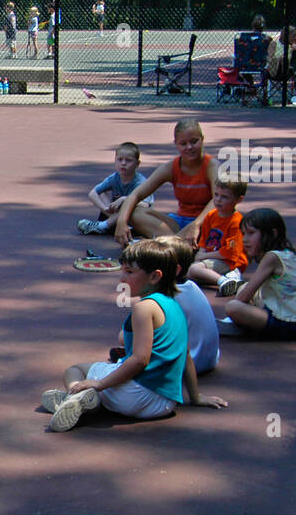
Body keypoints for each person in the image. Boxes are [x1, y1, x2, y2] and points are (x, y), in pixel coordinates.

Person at [40, 240, 227, 432]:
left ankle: (78, 397)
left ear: (155, 276)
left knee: (75, 370)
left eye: (129, 272)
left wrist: (100, 383)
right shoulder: (175, 305)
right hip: (165, 403)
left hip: (134, 397)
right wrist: (195, 397)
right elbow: (186, 355)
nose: (122, 279)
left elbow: (140, 360)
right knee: (111, 368)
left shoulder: (144, 307)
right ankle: (86, 399)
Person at [222, 208, 296, 340]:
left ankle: (237, 324)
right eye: (243, 234)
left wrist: (238, 312)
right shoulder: (287, 254)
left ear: (273, 233)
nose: (245, 240)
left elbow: (242, 298)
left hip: (289, 325)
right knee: (247, 289)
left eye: (251, 233)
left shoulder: (271, 257)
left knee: (233, 307)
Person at [113, 118, 219, 245]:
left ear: (202, 139)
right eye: (183, 143)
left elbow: (218, 199)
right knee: (134, 212)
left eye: (194, 141)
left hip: (206, 222)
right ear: (176, 144)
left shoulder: (212, 166)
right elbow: (135, 195)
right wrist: (121, 222)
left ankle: (172, 246)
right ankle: (178, 245)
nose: (189, 147)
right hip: (179, 222)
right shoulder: (171, 167)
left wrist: (196, 224)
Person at [158, 236, 221, 375]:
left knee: (127, 338)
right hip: (210, 359)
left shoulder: (166, 296)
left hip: (188, 365)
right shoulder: (192, 286)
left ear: (175, 270)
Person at [186, 177, 248, 296]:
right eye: (216, 195)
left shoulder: (236, 221)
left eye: (224, 197)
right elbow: (204, 240)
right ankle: (229, 278)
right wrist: (200, 254)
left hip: (229, 261)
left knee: (194, 270)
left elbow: (230, 253)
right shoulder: (211, 215)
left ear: (239, 199)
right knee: (189, 273)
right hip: (211, 257)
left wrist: (204, 256)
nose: (218, 200)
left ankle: (224, 281)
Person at [78, 142, 150, 236]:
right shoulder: (114, 178)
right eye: (120, 159)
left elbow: (146, 206)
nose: (123, 163)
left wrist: (124, 199)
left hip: (136, 218)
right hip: (116, 215)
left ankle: (103, 226)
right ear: (115, 160)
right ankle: (111, 222)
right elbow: (93, 193)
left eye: (128, 160)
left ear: (137, 164)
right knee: (103, 192)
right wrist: (105, 209)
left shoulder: (140, 182)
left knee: (130, 204)